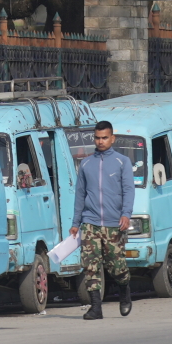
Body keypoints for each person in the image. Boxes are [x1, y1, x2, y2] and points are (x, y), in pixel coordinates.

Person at [72, 122, 135, 320]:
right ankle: (96, 307)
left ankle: (124, 292)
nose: (101, 141)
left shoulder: (122, 162)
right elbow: (80, 194)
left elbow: (128, 190)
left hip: (113, 223)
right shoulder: (86, 163)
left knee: (116, 267)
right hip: (89, 222)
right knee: (90, 265)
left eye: (104, 137)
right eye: (98, 138)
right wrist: (75, 223)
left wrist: (126, 214)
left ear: (112, 138)